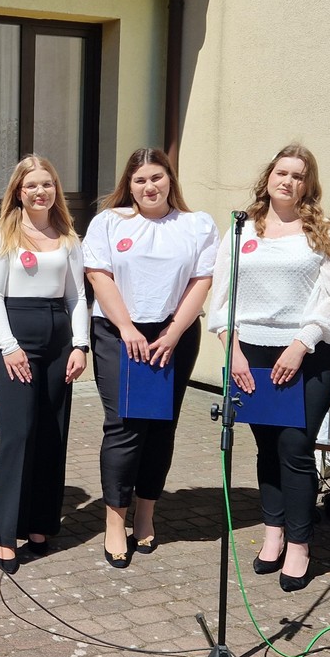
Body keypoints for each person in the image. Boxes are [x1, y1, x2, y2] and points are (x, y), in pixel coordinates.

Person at [209, 145, 330, 592]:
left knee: (294, 447)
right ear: (268, 177)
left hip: (308, 354)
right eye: (281, 172)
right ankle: (273, 533)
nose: (288, 181)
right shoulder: (241, 230)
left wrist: (300, 344)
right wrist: (232, 350)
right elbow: (221, 296)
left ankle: (300, 544)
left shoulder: (327, 233)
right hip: (250, 353)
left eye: (298, 175)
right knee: (266, 446)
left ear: (308, 185)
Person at [83, 147, 216, 569]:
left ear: (170, 179)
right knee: (124, 427)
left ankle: (145, 513)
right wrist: (126, 328)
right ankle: (114, 520)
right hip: (118, 333)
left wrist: (173, 333)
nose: (149, 186)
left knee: (160, 427)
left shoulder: (196, 225)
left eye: (157, 177)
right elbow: (98, 275)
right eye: (140, 180)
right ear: (130, 184)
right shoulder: (109, 222)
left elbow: (201, 281)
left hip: (174, 334)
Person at [0, 155, 88, 574]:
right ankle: (5, 533)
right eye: (31, 185)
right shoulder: (2, 234)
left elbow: (77, 296)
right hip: (17, 338)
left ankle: (41, 524)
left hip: (59, 339)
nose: (40, 192)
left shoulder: (68, 236)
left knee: (51, 432)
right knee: (18, 434)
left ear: (55, 189)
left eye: (47, 184)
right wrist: (8, 346)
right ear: (18, 192)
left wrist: (80, 345)